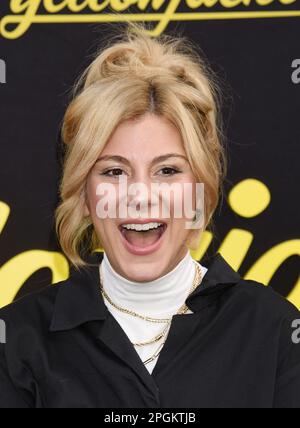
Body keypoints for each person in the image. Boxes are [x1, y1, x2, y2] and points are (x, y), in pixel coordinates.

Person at [0, 22, 299, 408]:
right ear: (84, 195)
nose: (140, 196)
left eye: (168, 171)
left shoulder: (274, 331)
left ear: (201, 189)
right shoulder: (17, 339)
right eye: (114, 171)